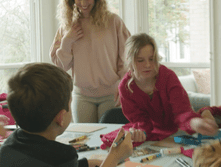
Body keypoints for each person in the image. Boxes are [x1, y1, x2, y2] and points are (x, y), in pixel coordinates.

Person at [0, 63, 133, 167]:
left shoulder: (8, 146)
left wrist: (84, 164)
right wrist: (114, 156)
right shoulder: (63, 156)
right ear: (61, 117)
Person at [50, 0, 131, 123]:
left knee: (109, 141)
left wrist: (123, 85)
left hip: (111, 94)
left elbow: (126, 58)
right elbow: (61, 66)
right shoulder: (67, 26)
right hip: (82, 96)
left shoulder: (113, 21)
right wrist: (67, 41)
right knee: (84, 141)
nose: (83, 3)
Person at [119, 33, 218, 143]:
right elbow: (139, 120)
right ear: (129, 60)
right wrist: (141, 132)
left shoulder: (168, 76)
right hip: (152, 136)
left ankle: (204, 112)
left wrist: (193, 122)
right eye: (140, 60)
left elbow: (181, 111)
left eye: (151, 59)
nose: (147, 65)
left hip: (179, 131)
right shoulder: (125, 87)